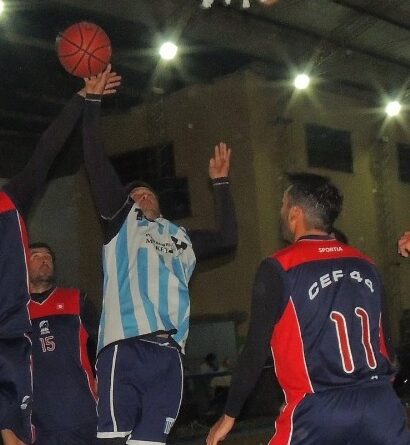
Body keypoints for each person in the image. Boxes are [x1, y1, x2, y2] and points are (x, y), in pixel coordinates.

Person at [81, 66, 238, 445]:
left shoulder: (181, 237)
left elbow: (227, 237)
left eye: (147, 192)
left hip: (169, 354)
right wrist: (92, 104)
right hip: (125, 345)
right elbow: (96, 161)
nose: (141, 195)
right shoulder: (122, 223)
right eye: (134, 194)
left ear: (160, 203)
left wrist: (220, 183)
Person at [208, 172, 410, 445]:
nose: (280, 212)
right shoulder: (367, 265)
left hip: (319, 410)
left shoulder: (279, 267)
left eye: (283, 205)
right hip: (380, 407)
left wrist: (230, 414)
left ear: (295, 213)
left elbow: (255, 349)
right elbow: (387, 345)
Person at [27, 242, 98, 445]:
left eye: (48, 256)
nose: (44, 260)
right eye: (36, 256)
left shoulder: (76, 299)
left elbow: (103, 343)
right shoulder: (16, 311)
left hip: (84, 413)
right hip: (41, 420)